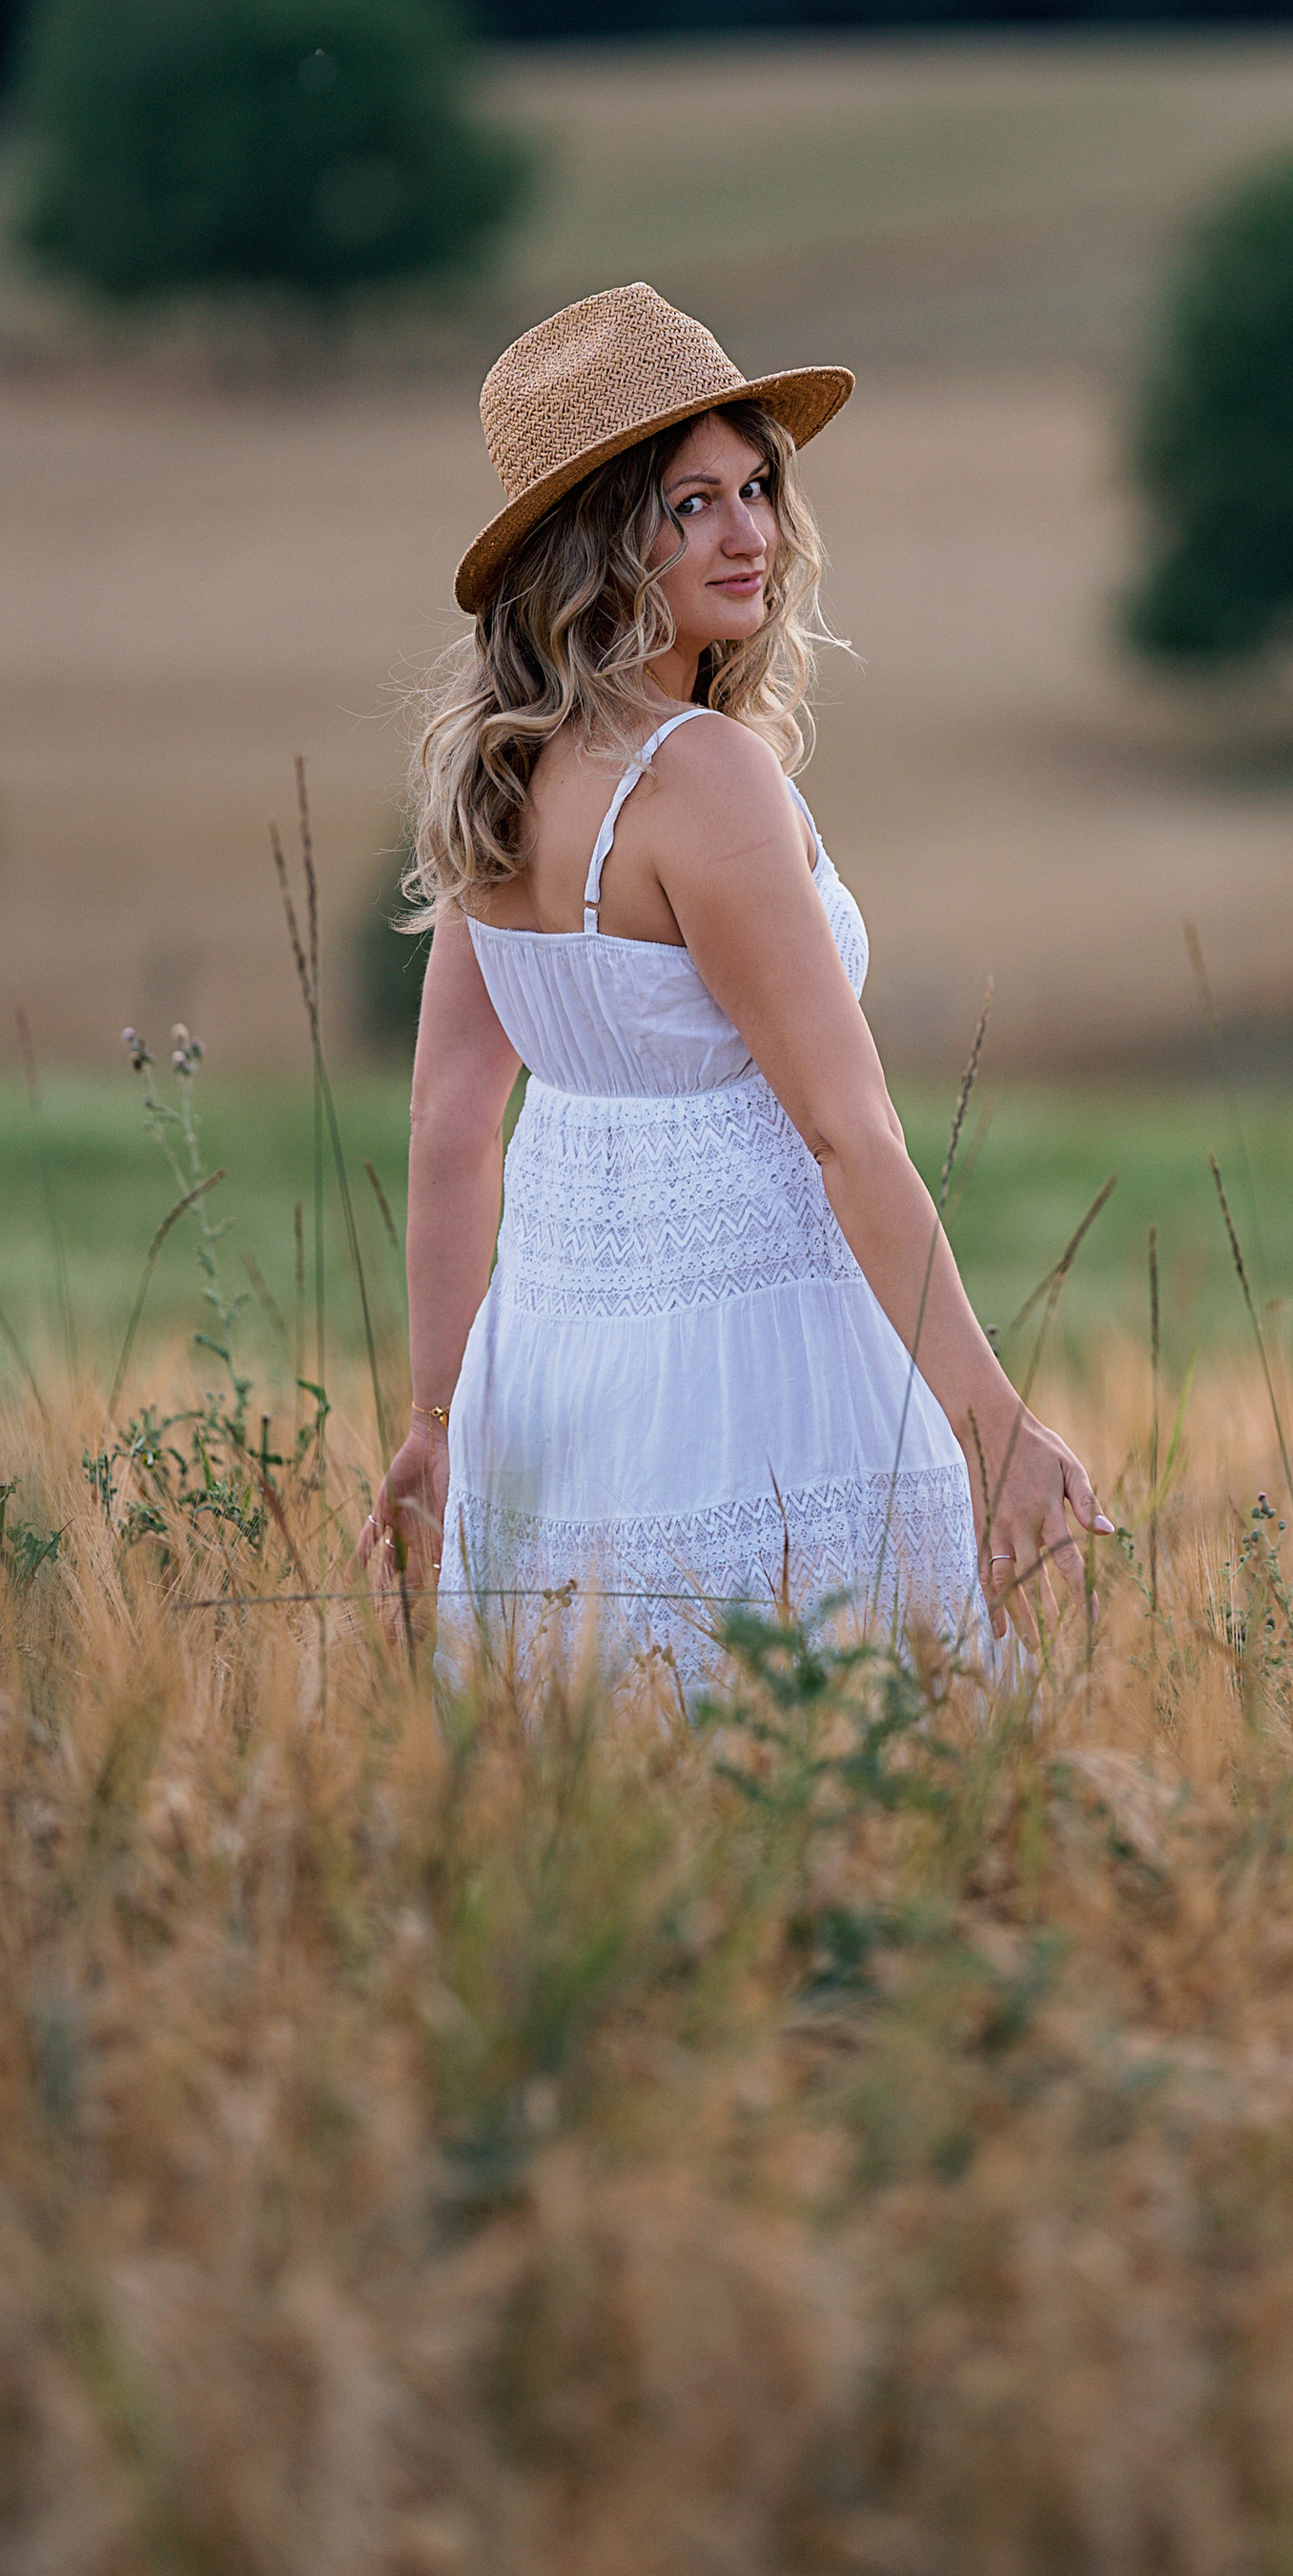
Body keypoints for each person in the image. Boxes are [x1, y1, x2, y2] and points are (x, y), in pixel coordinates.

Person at [357, 280, 1110, 1680]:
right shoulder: (702, 773)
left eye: (756, 484)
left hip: (558, 1371)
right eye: (691, 501)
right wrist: (987, 1417)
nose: (750, 531)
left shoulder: (498, 771)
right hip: (762, 1361)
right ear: (597, 536)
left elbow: (454, 1122)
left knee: (595, 1786)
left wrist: (437, 1420)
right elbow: (846, 1129)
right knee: (836, 1771)